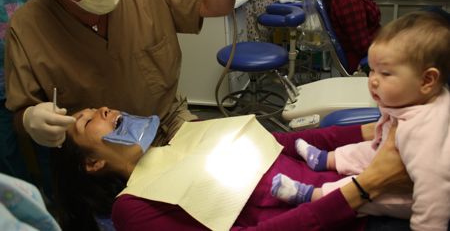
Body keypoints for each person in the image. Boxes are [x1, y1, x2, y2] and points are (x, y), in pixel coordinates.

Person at [4, 0, 235, 153]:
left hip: (166, 125)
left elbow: (217, 5)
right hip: (97, 156)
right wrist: (29, 120)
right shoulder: (28, 27)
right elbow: (21, 111)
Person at [52, 107, 412, 231]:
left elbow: (286, 142)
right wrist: (363, 189)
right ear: (92, 162)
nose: (101, 111)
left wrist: (373, 130)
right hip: (352, 215)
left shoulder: (188, 139)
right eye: (87, 121)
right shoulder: (133, 206)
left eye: (100, 108)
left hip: (358, 182)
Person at [271, 11, 450, 230]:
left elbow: (434, 193)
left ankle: (311, 194)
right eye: (372, 70)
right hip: (398, 155)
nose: (373, 80)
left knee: (355, 187)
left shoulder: (424, 134)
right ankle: (325, 159)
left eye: (385, 73)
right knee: (364, 149)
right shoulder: (423, 99)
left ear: (427, 80)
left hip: (408, 197)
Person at [0, 0, 46, 181]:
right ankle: (22, 214)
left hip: (31, 64)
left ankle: (65, 215)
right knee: (5, 156)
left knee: (52, 147)